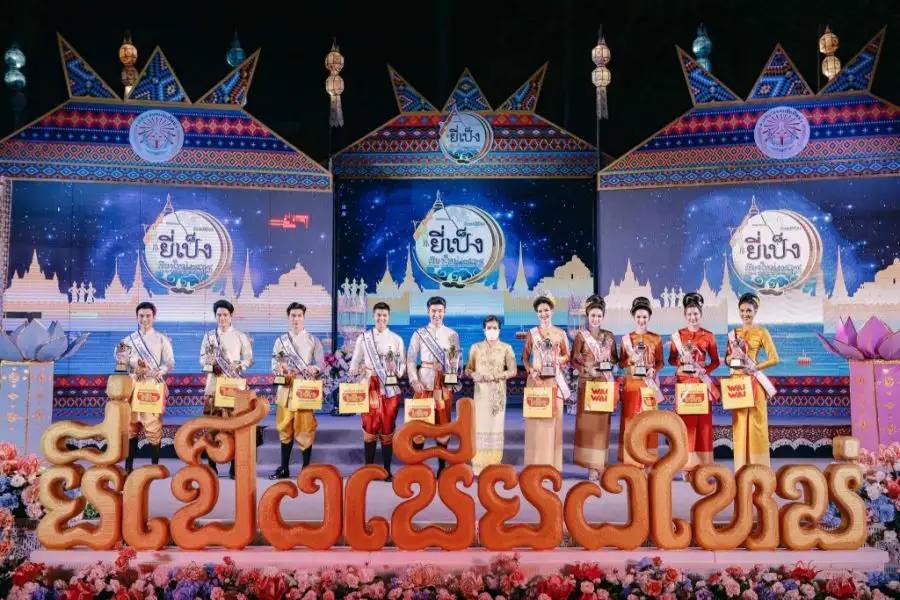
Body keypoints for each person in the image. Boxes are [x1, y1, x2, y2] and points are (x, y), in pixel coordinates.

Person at [116, 301, 175, 474]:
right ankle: (128, 466)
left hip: (152, 386)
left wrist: (159, 371)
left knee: (153, 426)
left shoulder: (162, 339)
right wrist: (135, 363)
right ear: (137, 317)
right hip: (133, 386)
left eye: (148, 316)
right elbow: (120, 360)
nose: (144, 319)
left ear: (154, 317)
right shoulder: (128, 340)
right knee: (131, 426)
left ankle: (155, 466)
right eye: (141, 316)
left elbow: (170, 362)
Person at [349, 302, 406, 481]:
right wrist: (358, 370)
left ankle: (387, 470)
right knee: (369, 428)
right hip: (369, 388)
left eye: (384, 315)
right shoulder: (363, 338)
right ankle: (369, 470)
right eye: (378, 315)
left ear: (389, 317)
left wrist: (395, 368)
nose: (381, 318)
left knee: (388, 428)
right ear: (373, 316)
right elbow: (354, 364)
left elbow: (402, 368)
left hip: (389, 390)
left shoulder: (397, 339)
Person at [268, 302, 325, 479]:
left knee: (305, 428)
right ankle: (284, 467)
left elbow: (321, 364)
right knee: (284, 428)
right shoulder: (280, 341)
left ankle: (306, 468)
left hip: (304, 390)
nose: (296, 319)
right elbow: (274, 365)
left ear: (304, 317)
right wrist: (281, 370)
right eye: (293, 315)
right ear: (288, 317)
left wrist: (314, 369)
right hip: (285, 388)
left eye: (299, 315)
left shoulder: (312, 340)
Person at [407, 296, 462, 477]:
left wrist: (452, 372)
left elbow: (455, 360)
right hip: (423, 383)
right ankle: (417, 467)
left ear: (445, 312)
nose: (436, 314)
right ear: (428, 312)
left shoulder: (452, 334)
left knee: (443, 425)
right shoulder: (419, 334)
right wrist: (414, 380)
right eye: (433, 311)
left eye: (440, 311)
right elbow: (410, 359)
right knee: (419, 424)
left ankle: (441, 468)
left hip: (443, 386)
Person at [668, 292, 720, 479]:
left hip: (701, 383)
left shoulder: (709, 336)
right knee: (686, 426)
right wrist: (682, 362)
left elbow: (716, 361)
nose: (692, 317)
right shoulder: (678, 336)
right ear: (685, 315)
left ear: (701, 314)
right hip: (684, 384)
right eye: (689, 314)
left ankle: (703, 466)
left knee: (704, 426)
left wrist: (704, 370)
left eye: (695, 313)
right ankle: (685, 466)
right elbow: (671, 359)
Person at [200, 299, 254, 479]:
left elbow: (249, 359)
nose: (222, 318)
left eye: (225, 314)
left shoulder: (240, 336)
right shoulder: (209, 336)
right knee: (212, 426)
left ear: (231, 316)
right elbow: (202, 359)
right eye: (218, 315)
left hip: (233, 387)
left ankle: (234, 467)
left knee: (233, 426)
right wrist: (209, 364)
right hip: (213, 386)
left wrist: (240, 365)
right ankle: (212, 466)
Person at [726, 292, 779, 470]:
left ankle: (759, 469)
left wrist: (756, 367)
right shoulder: (733, 334)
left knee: (757, 425)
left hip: (754, 383)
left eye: (748, 310)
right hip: (737, 384)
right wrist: (731, 358)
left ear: (755, 311)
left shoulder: (761, 332)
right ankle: (741, 468)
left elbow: (775, 359)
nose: (745, 314)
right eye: (742, 310)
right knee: (739, 425)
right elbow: (727, 359)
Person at [571, 296, 618, 481]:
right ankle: (591, 466)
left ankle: (601, 464)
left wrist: (608, 364)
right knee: (588, 427)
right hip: (587, 384)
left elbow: (614, 358)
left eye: (599, 315)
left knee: (602, 427)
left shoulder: (609, 336)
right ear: (587, 316)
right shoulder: (581, 337)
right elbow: (574, 360)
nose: (596, 319)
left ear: (603, 316)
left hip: (604, 384)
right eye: (593, 315)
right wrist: (586, 368)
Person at [522, 294, 570, 472]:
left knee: (553, 423)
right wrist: (530, 370)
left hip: (554, 381)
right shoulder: (532, 334)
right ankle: (534, 465)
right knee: (535, 424)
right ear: (537, 313)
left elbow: (567, 356)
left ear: (552, 311)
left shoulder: (560, 333)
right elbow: (525, 358)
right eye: (540, 311)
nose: (544, 314)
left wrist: (557, 360)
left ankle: (553, 466)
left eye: (546, 310)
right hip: (536, 382)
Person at [464, 315, 517, 475]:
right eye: (489, 328)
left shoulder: (507, 348)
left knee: (495, 428)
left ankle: (494, 465)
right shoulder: (475, 347)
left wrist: (495, 376)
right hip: (480, 395)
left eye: (495, 328)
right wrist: (473, 375)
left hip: (497, 395)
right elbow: (468, 369)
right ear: (484, 329)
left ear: (499, 330)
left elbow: (513, 370)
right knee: (479, 427)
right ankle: (479, 464)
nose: (492, 330)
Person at [617, 296, 664, 467]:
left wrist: (653, 370)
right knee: (631, 421)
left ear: (649, 317)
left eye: (644, 317)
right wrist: (631, 359)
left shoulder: (656, 339)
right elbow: (621, 363)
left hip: (649, 385)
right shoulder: (626, 339)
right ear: (633, 317)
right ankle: (631, 460)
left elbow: (660, 363)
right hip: (632, 386)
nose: (641, 320)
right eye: (638, 316)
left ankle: (648, 459)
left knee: (649, 421)